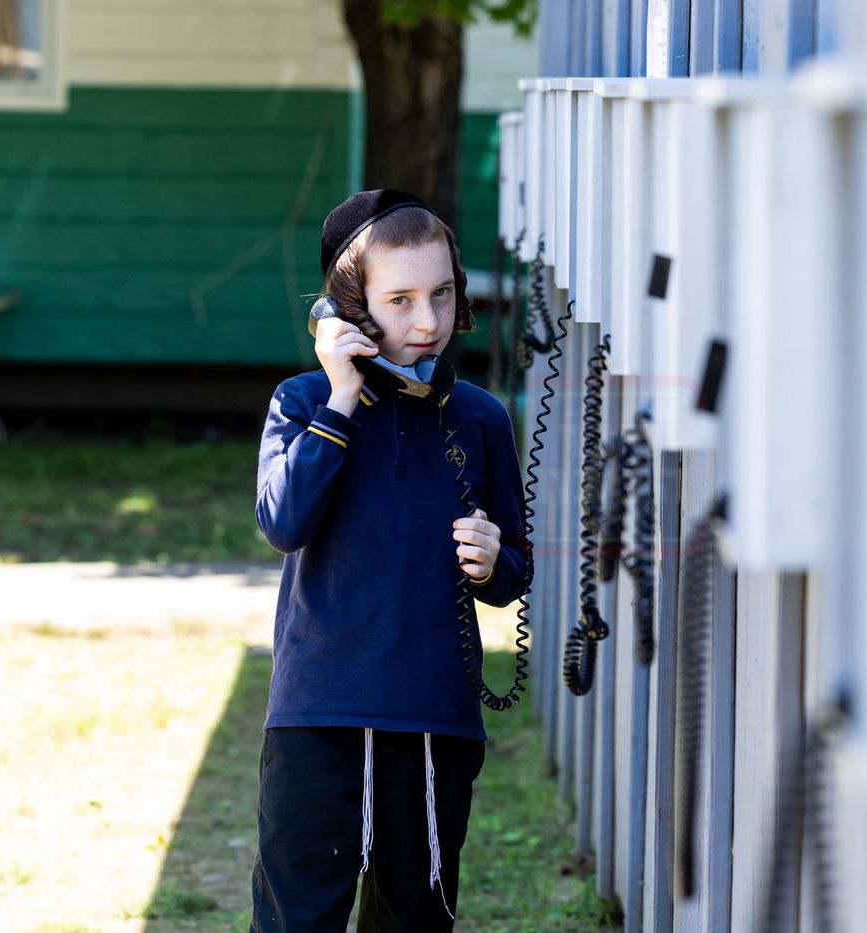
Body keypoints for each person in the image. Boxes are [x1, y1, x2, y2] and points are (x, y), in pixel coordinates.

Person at [250, 189, 530, 932]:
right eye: (400, 299)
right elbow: (282, 521)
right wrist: (341, 402)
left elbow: (513, 574)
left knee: (413, 921)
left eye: (441, 294)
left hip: (434, 718)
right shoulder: (303, 400)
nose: (427, 321)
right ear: (350, 309)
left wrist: (495, 559)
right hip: (319, 715)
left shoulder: (479, 416)